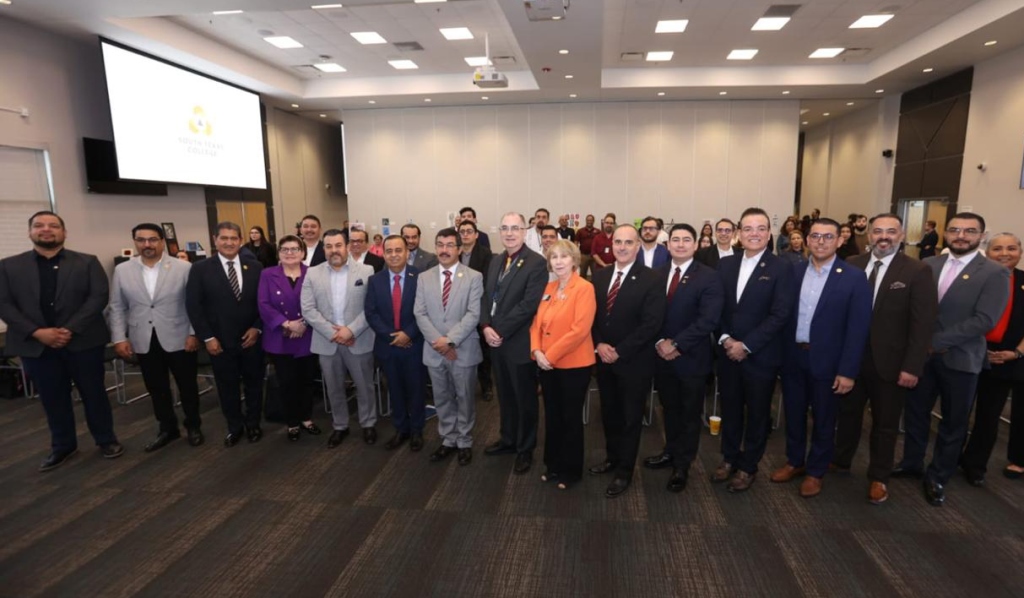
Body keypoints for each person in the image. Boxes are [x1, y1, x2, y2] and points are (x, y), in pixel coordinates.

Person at [895, 213, 1010, 507]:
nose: (961, 235)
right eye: (955, 230)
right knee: (915, 413)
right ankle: (911, 463)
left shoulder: (995, 273)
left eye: (969, 231)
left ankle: (938, 475)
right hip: (922, 359)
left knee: (953, 422)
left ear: (982, 236)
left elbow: (985, 320)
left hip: (961, 360)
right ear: (946, 234)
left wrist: (933, 343)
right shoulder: (928, 265)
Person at [0, 211, 123, 471]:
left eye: (53, 225)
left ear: (64, 232)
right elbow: (5, 305)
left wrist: (69, 329)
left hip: (83, 342)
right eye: (39, 225)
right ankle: (63, 446)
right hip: (36, 345)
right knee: (52, 399)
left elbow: (98, 297)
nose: (46, 229)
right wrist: (37, 332)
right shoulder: (8, 266)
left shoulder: (87, 262)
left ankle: (106, 439)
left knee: (94, 394)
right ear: (30, 232)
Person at [833, 214, 936, 504]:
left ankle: (879, 476)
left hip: (891, 363)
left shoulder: (917, 270)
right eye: (878, 231)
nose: (883, 237)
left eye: (891, 231)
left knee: (885, 424)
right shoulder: (851, 264)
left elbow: (922, 324)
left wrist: (912, 366)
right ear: (869, 236)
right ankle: (840, 461)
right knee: (847, 415)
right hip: (851, 360)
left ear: (901, 236)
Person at [771, 218, 872, 498]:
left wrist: (848, 371)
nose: (820, 242)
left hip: (829, 362)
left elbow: (858, 329)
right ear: (807, 240)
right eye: (815, 236)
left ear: (839, 241)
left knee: (824, 419)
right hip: (793, 357)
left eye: (828, 237)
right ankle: (795, 461)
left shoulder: (854, 277)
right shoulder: (793, 272)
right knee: (793, 414)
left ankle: (815, 471)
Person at [712, 207, 795, 493]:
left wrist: (746, 345)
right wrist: (726, 339)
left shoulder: (782, 267)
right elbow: (716, 307)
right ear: (739, 233)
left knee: (758, 414)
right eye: (748, 228)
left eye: (760, 228)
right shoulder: (725, 265)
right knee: (730, 409)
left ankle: (749, 466)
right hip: (727, 353)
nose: (754, 234)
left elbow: (780, 314)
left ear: (769, 233)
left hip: (761, 355)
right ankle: (729, 457)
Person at [644, 224, 723, 493]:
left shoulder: (709, 276)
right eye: (675, 239)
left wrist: (676, 343)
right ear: (667, 245)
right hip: (661, 355)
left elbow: (708, 319)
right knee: (669, 408)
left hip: (692, 357)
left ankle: (682, 464)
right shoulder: (655, 274)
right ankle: (670, 451)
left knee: (689, 413)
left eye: (686, 240)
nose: (680, 244)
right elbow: (649, 315)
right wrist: (660, 342)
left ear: (696, 245)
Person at [109, 223, 202, 452]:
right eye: (141, 240)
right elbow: (117, 306)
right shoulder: (123, 270)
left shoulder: (183, 267)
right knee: (156, 388)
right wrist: (119, 338)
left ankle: (193, 426)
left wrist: (193, 333)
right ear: (135, 242)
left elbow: (195, 304)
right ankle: (167, 428)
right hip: (143, 338)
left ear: (162, 241)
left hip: (179, 336)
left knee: (187, 386)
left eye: (152, 239)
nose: (147, 244)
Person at [589, 224, 665, 497]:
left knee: (631, 417)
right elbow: (592, 317)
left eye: (628, 242)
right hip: (603, 358)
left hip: (633, 361)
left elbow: (651, 324)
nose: (622, 247)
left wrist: (619, 350)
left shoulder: (653, 278)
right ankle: (612, 458)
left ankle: (624, 472)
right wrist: (599, 344)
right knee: (609, 413)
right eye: (618, 242)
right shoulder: (599, 276)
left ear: (637, 246)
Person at [186, 222, 265, 447]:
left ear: (240, 241)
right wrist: (208, 337)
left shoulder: (256, 267)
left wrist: (257, 327)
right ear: (215, 240)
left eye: (233, 238)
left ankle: (253, 424)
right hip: (219, 342)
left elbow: (264, 302)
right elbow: (194, 306)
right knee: (227, 387)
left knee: (255, 385)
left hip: (252, 339)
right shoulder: (200, 269)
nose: (229, 242)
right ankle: (235, 427)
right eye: (224, 238)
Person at [480, 212, 548, 475]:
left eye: (515, 228)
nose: (509, 233)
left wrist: (498, 330)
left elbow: (528, 305)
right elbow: (486, 297)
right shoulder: (496, 260)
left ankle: (525, 448)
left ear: (524, 231)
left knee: (525, 398)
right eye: (505, 228)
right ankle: (508, 439)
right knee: (505, 395)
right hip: (495, 341)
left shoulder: (536, 263)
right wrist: (486, 326)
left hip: (518, 341)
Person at [301, 229, 378, 447]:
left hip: (358, 339)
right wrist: (334, 333)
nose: (334, 250)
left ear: (348, 247)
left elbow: (372, 307)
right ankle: (340, 425)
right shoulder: (312, 273)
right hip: (327, 342)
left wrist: (351, 331)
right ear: (324, 248)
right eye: (329, 246)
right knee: (334, 388)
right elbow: (308, 309)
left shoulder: (366, 270)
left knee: (364, 386)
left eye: (338, 245)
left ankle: (368, 423)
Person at [414, 228, 484, 466]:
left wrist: (450, 340)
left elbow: (473, 314)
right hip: (434, 349)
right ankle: (448, 438)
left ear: (459, 249)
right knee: (442, 397)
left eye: (449, 245)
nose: (444, 250)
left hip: (463, 349)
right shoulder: (424, 277)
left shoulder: (474, 277)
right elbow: (419, 313)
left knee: (464, 397)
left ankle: (464, 440)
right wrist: (439, 342)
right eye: (440, 245)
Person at [530, 239, 596, 490]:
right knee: (552, 416)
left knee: (570, 418)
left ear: (574, 260)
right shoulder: (548, 287)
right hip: (546, 363)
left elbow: (579, 330)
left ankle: (570, 470)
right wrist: (536, 350)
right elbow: (536, 324)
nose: (558, 262)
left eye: (564, 256)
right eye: (554, 257)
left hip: (573, 365)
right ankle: (553, 465)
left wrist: (549, 356)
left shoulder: (584, 288)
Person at [960, 233, 1024, 483]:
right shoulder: (974, 278)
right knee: (962, 413)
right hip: (972, 353)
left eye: (1011, 248)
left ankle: (978, 465)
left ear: (1020, 252)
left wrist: (1016, 352)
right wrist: (980, 350)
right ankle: (955, 460)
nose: (1005, 253)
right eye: (998, 248)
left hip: (1011, 358)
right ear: (987, 252)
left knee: (993, 416)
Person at [365, 235, 426, 452]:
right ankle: (401, 429)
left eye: (398, 250)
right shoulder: (375, 280)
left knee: (416, 390)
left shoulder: (420, 277)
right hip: (388, 346)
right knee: (395, 390)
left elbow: (426, 311)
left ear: (407, 252)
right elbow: (371, 313)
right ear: (383, 254)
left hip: (414, 345)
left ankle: (417, 430)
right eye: (389, 251)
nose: (394, 255)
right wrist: (392, 336)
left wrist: (408, 334)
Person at [257, 235, 320, 442]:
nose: (290, 253)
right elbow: (263, 304)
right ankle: (292, 422)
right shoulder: (267, 274)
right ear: (279, 253)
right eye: (285, 249)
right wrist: (287, 324)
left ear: (303, 253)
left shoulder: (313, 273)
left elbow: (320, 302)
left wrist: (303, 324)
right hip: (280, 336)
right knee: (287, 382)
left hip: (307, 334)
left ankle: (306, 418)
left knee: (306, 380)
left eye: (295, 249)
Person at [458, 220, 494, 399]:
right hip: (457, 307)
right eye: (462, 231)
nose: (465, 234)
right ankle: (462, 388)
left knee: (482, 351)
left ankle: (486, 386)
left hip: (478, 305)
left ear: (476, 234)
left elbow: (486, 282)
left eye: (469, 231)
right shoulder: (454, 252)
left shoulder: (485, 254)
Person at [576, 214, 600, 278]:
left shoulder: (598, 231)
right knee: (582, 274)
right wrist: (577, 254)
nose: (589, 221)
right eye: (588, 220)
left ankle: (595, 284)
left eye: (591, 220)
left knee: (596, 274)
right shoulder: (580, 231)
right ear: (586, 221)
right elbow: (576, 242)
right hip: (584, 256)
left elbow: (600, 242)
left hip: (594, 256)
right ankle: (582, 285)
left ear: (593, 221)